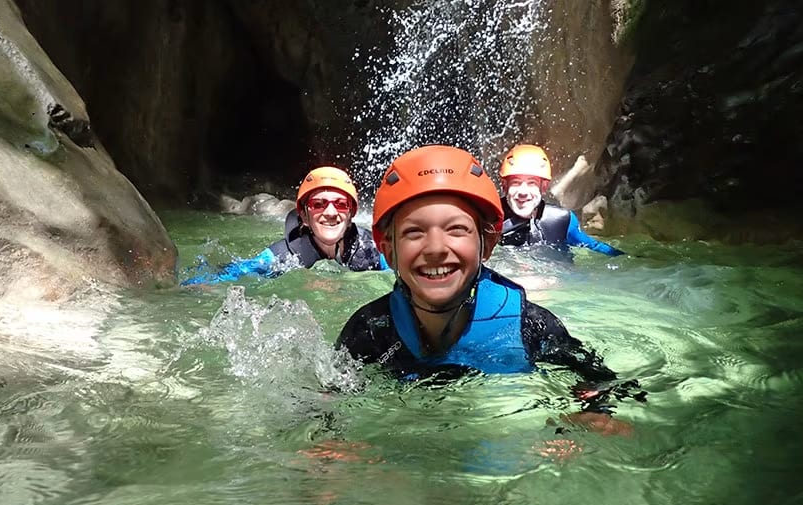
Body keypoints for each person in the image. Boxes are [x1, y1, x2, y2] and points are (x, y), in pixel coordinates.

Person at [336, 145, 643, 408]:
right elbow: (329, 400)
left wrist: (592, 414)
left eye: (457, 229)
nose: (435, 248)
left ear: (488, 244)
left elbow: (602, 384)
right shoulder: (370, 331)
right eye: (414, 232)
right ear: (388, 251)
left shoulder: (529, 326)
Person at [182, 166, 388, 284]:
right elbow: (236, 273)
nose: (331, 212)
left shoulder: (374, 250)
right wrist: (195, 285)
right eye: (319, 204)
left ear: (351, 213)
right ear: (304, 216)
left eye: (341, 204)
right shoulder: (282, 257)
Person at [498, 144, 623, 256]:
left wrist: (628, 259)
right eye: (516, 183)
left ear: (544, 187)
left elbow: (594, 246)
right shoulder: (489, 219)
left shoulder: (560, 221)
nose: (523, 192)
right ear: (504, 186)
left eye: (531, 183)